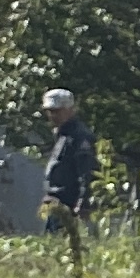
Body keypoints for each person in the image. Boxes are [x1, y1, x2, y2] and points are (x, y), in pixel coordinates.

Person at [39, 88, 98, 231]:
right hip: (56, 204)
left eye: (57, 111)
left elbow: (87, 172)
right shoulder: (62, 135)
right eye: (50, 111)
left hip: (70, 206)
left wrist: (83, 204)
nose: (53, 115)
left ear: (70, 109)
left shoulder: (79, 136)